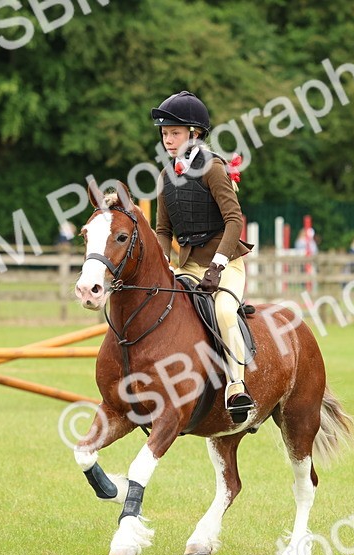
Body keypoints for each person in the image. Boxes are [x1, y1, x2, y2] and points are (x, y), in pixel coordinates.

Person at [151, 90, 255, 423]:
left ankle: (237, 387)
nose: (168, 139)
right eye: (165, 134)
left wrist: (219, 264)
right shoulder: (166, 177)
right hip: (189, 266)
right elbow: (163, 231)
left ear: (194, 133)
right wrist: (162, 265)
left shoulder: (212, 169)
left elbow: (234, 220)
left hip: (225, 264)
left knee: (224, 311)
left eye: (175, 133)